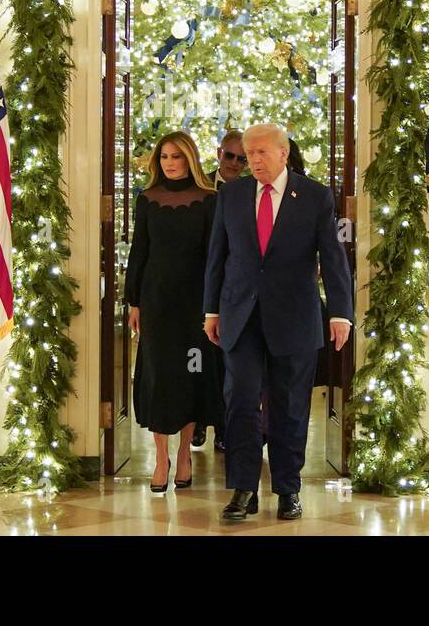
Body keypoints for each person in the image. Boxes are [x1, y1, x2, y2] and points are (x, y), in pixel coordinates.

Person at [203, 123, 353, 521]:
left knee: (289, 406)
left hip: (295, 317)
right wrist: (211, 311)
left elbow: (333, 257)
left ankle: (288, 488)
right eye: (248, 154)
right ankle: (243, 488)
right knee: (240, 402)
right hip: (241, 316)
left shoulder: (316, 196)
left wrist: (341, 312)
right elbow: (218, 255)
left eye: (261, 153)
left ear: (283, 154)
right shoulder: (231, 195)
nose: (253, 160)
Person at [124, 131, 219, 492]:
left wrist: (214, 308)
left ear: (189, 159)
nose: (169, 163)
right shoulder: (146, 199)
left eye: (176, 157)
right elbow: (139, 252)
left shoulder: (209, 200)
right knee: (159, 376)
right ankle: (161, 456)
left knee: (191, 372)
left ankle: (184, 455)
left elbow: (215, 256)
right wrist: (134, 301)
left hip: (195, 304)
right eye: (164, 157)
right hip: (156, 302)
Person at [195, 129, 246, 452]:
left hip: (235, 288)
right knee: (199, 360)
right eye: (230, 156)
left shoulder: (249, 190)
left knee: (231, 362)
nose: (235, 163)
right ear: (218, 153)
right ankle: (200, 421)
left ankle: (227, 427)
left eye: (242, 159)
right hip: (200, 284)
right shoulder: (200, 186)